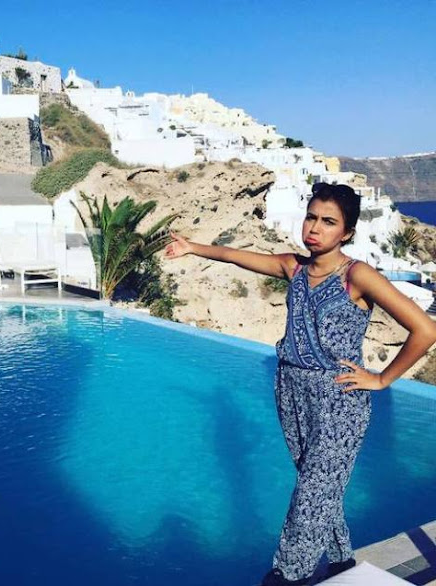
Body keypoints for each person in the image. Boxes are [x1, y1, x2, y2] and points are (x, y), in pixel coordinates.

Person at [165, 182, 436, 586]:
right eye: (311, 217)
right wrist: (193, 247)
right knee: (317, 482)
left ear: (346, 232)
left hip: (339, 397)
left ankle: (288, 574)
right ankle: (341, 560)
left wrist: (382, 378)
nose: (315, 228)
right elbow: (235, 256)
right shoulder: (294, 268)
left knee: (314, 490)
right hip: (290, 389)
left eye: (328, 222)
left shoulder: (357, 275)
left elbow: (425, 329)